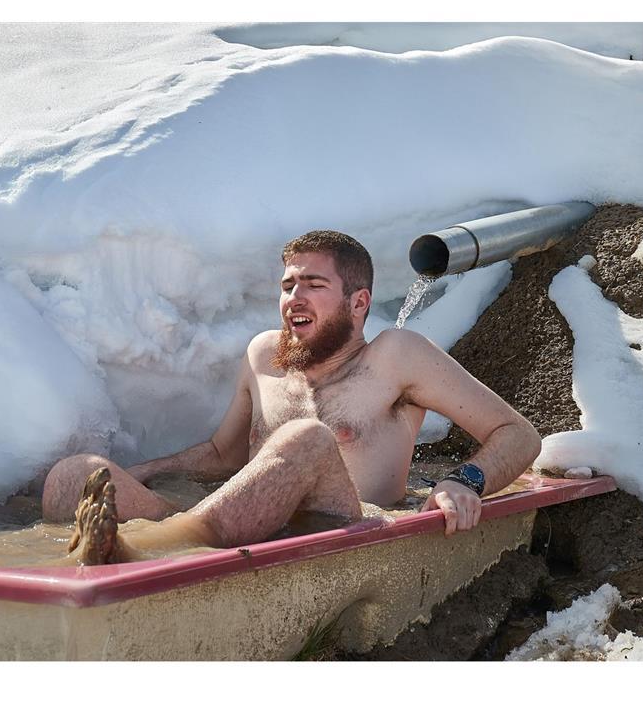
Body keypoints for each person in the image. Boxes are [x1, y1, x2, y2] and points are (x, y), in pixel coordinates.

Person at [44, 230, 542, 564]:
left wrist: (465, 481)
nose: (293, 298)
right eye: (287, 285)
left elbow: (518, 435)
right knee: (78, 473)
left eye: (313, 284)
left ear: (359, 302)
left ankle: (151, 550)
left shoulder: (395, 357)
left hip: (345, 537)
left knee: (306, 437)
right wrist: (137, 477)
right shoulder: (263, 355)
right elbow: (224, 455)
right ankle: (103, 557)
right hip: (239, 527)